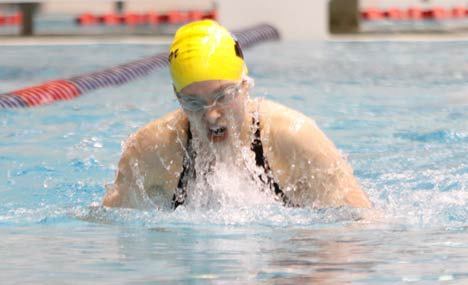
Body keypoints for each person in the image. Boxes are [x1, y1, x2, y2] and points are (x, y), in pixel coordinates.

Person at [102, 20, 371, 210]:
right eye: (193, 102)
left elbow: (361, 222)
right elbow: (109, 228)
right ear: (177, 97)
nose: (211, 115)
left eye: (223, 96)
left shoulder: (292, 137)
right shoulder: (152, 151)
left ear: (245, 84)